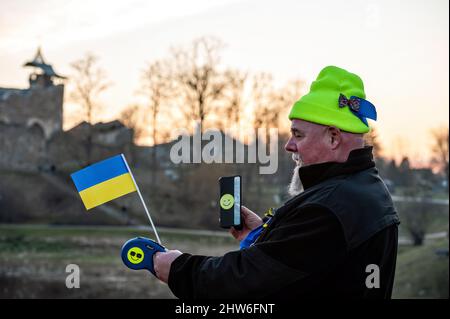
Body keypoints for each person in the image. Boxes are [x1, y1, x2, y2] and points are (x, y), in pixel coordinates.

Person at [153, 65, 400, 299]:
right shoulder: (365, 187)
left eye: (298, 135)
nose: (288, 145)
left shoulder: (329, 207)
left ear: (333, 137)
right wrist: (260, 236)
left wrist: (177, 269)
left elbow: (246, 282)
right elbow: (306, 267)